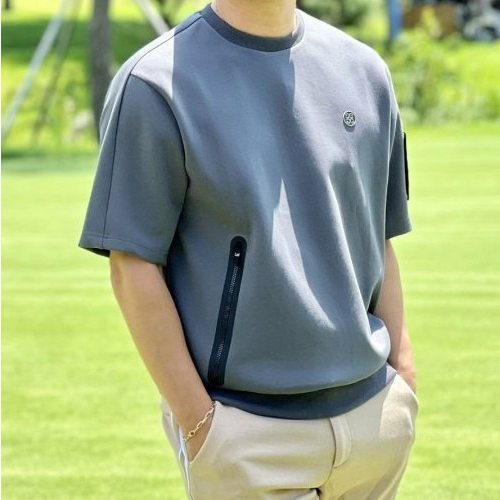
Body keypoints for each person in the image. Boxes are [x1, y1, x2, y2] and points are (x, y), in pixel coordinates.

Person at [79, 0, 418, 498]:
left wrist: (403, 378)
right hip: (248, 435)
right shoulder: (153, 83)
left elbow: (377, 236)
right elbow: (133, 267)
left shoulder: (365, 71)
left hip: (375, 423)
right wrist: (200, 424)